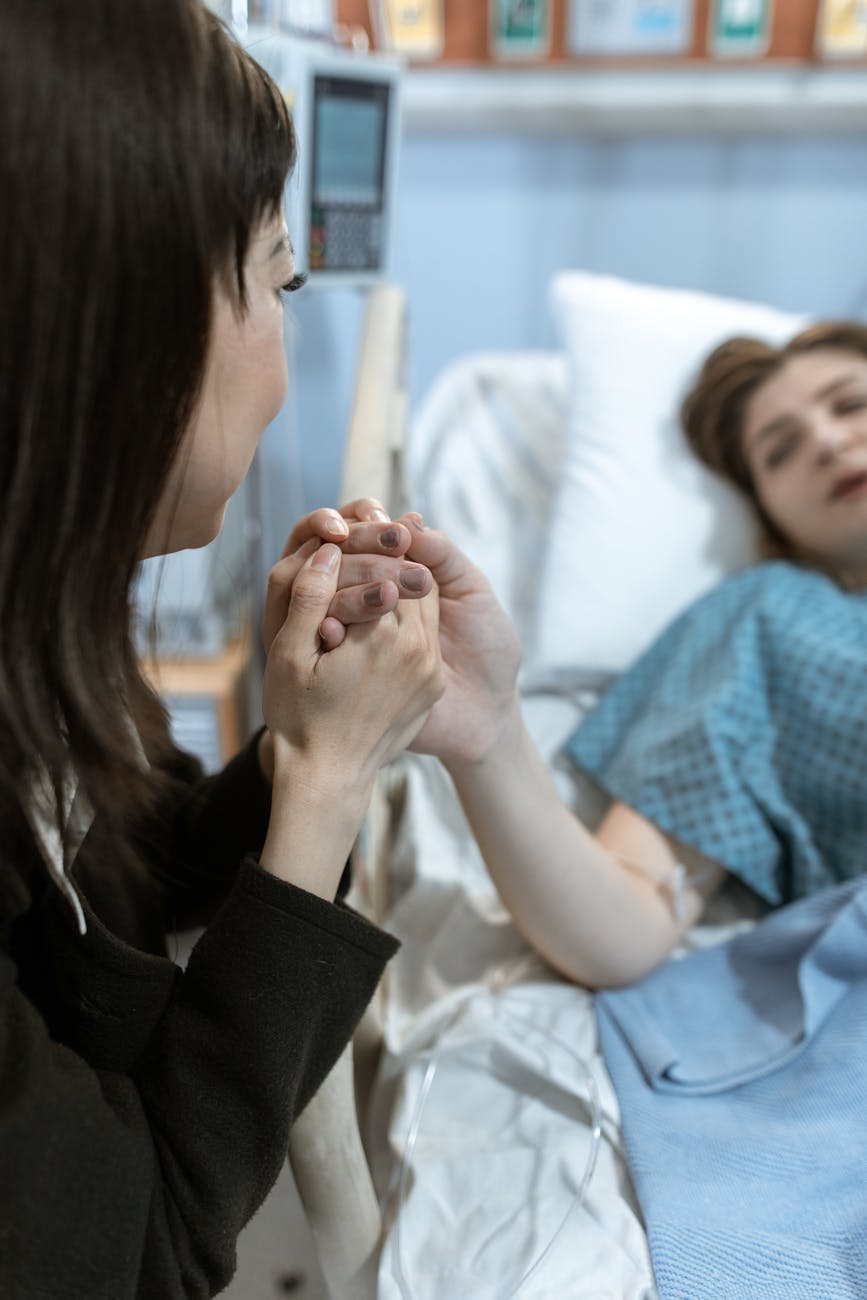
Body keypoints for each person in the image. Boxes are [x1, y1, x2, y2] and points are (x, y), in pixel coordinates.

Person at [0, 3, 445, 1297]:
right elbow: (136, 1254)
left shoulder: (43, 629)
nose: (280, 356)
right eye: (274, 283)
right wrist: (323, 791)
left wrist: (298, 743)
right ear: (115, 331)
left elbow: (112, 870)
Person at [367, 322, 867, 990]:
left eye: (849, 405)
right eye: (780, 451)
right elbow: (624, 922)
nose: (829, 443)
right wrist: (488, 738)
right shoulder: (769, 617)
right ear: (770, 517)